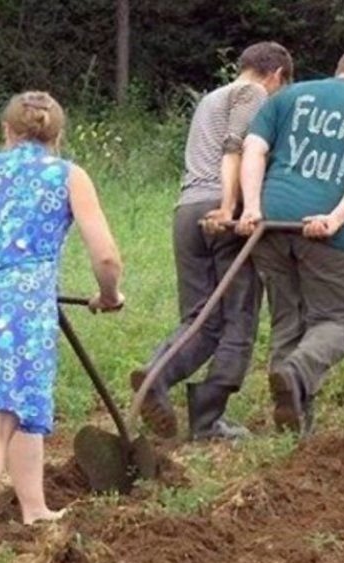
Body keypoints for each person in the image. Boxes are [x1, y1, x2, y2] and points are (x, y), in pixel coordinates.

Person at [0, 91, 125, 562]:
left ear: (6, 130)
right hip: (17, 310)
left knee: (16, 403)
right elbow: (106, 257)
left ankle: (34, 509)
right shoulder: (67, 175)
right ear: (58, 135)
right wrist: (109, 296)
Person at [238, 45, 344, 438]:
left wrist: (253, 208)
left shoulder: (288, 97)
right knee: (340, 320)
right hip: (327, 232)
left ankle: (293, 425)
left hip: (270, 224)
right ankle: (295, 375)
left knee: (288, 320)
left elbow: (254, 148)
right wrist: (336, 218)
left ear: (340, 69)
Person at [130, 42, 293, 442]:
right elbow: (235, 148)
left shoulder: (210, 99)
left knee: (200, 318)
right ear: (276, 75)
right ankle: (207, 420)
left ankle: (155, 376)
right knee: (239, 318)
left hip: (187, 210)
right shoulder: (253, 93)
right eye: (283, 86)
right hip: (222, 212)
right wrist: (230, 207)